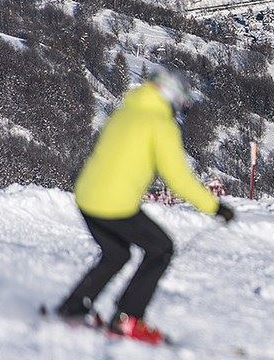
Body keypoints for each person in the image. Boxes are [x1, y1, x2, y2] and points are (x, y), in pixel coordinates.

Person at [55, 69, 235, 345]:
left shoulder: (127, 110)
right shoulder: (159, 123)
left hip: (87, 197)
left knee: (116, 254)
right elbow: (177, 177)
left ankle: (73, 308)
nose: (180, 110)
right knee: (161, 248)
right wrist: (214, 207)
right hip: (114, 203)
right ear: (172, 97)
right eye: (181, 104)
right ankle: (128, 318)